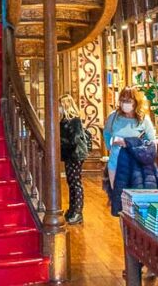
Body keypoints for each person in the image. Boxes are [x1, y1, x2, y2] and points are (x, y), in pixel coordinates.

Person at [102, 86, 158, 216]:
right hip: (115, 163)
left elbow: (151, 143)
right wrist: (110, 146)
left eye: (129, 101)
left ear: (136, 102)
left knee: (136, 199)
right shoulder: (113, 117)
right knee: (119, 198)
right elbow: (107, 133)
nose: (125, 104)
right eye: (123, 100)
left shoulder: (143, 119)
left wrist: (129, 143)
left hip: (136, 164)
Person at [59, 94, 89, 226]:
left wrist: (60, 142)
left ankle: (78, 212)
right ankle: (72, 210)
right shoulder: (65, 120)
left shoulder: (74, 120)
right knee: (71, 182)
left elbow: (75, 140)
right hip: (70, 154)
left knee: (75, 183)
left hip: (75, 155)